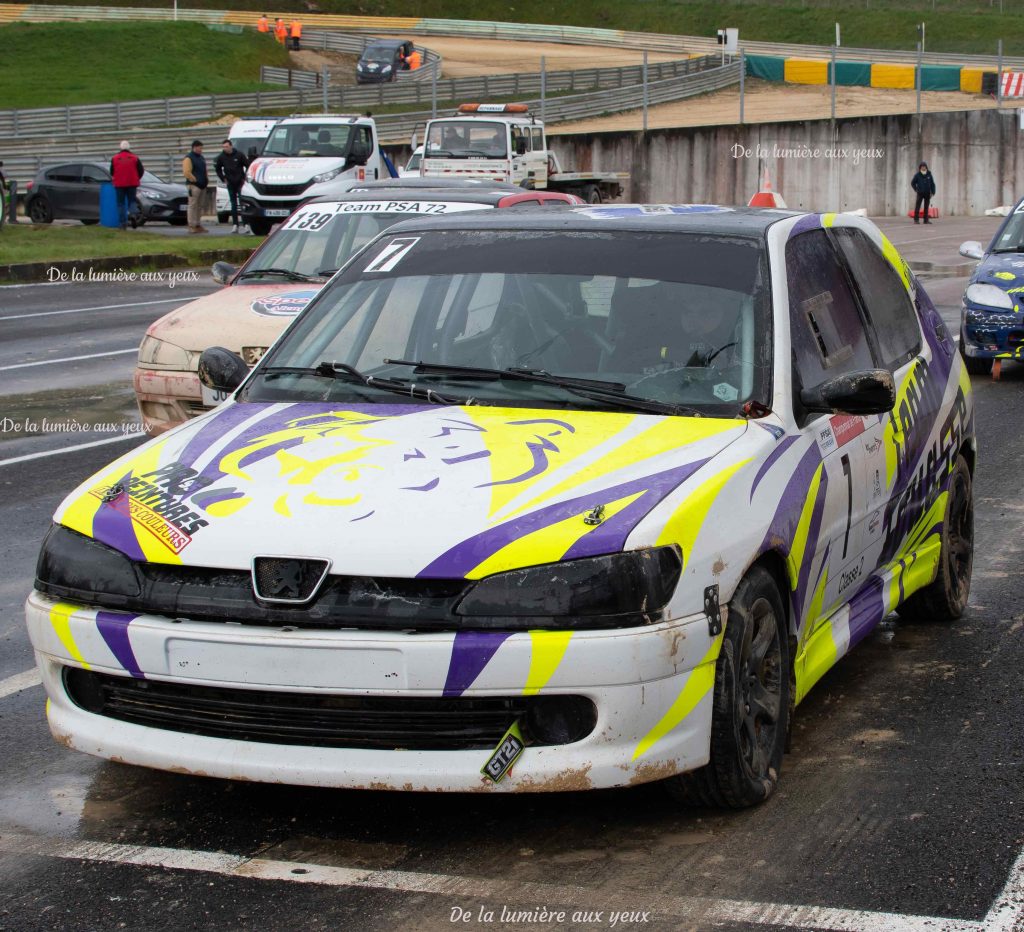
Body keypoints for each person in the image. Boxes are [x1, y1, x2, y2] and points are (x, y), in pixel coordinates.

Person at [215, 139, 249, 234]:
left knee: (242, 203)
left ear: (231, 146)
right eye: (223, 147)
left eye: (226, 147)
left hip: (240, 182)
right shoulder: (221, 157)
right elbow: (217, 169)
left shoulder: (239, 155)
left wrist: (244, 177)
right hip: (230, 183)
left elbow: (248, 165)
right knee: (233, 204)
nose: (225, 149)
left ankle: (246, 224)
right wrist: (223, 178)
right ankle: (235, 225)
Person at [109, 140, 143, 230]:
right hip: (132, 183)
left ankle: (122, 224)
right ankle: (133, 215)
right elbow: (141, 170)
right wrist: (136, 178)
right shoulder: (135, 158)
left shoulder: (115, 158)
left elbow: (111, 172)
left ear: (120, 147)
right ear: (129, 148)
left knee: (120, 203)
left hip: (119, 184)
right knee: (132, 201)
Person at [182, 140, 212, 234]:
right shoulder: (189, 158)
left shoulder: (201, 158)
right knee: (192, 205)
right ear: (194, 147)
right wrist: (195, 180)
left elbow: (204, 170)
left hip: (202, 185)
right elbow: (187, 172)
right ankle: (192, 225)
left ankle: (198, 224)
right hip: (194, 185)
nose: (201, 150)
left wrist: (206, 179)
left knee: (199, 206)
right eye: (200, 148)